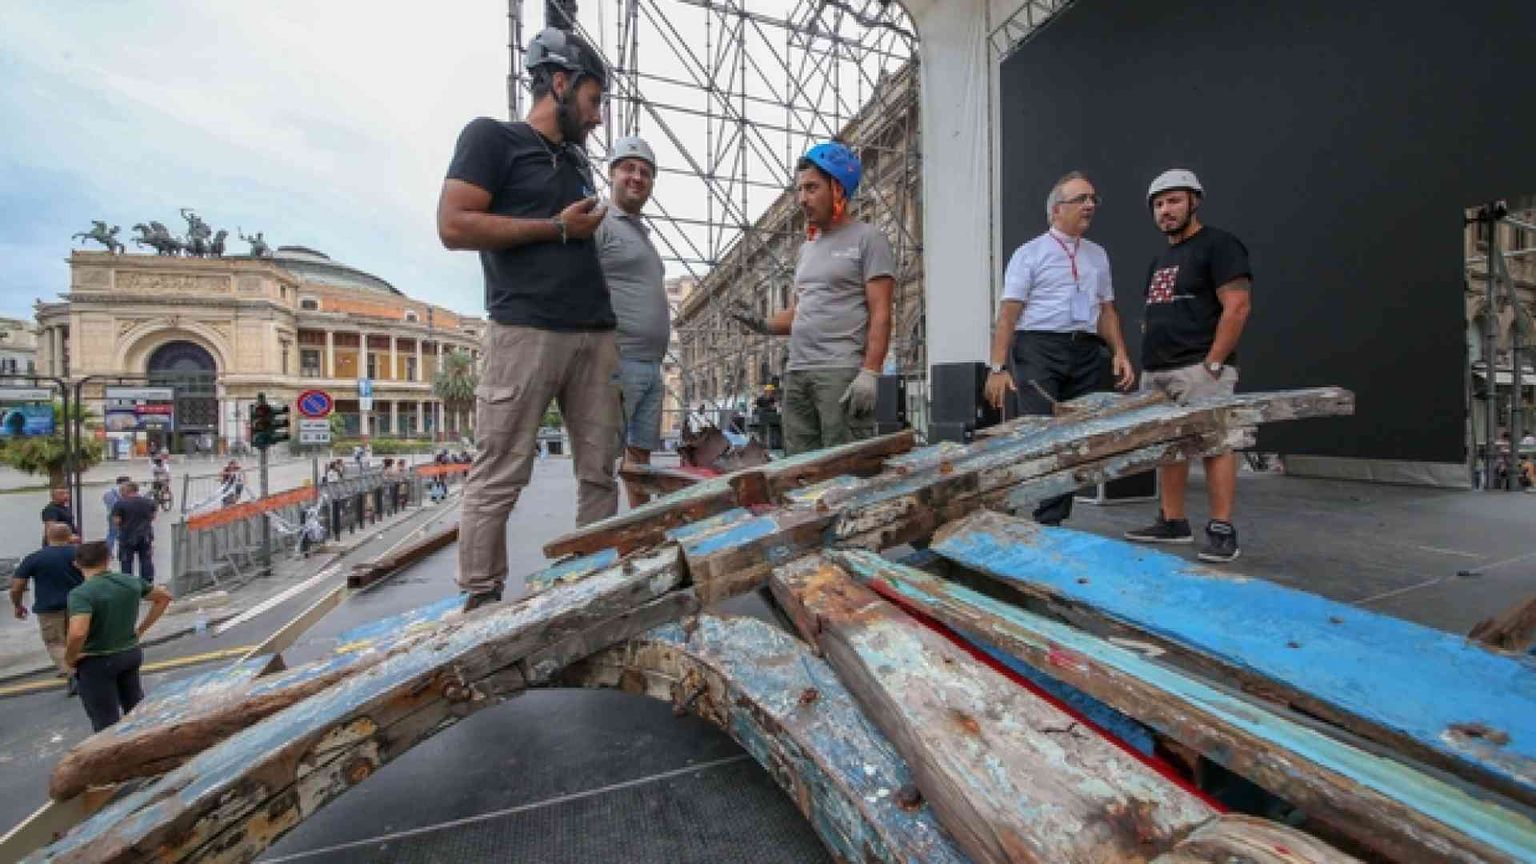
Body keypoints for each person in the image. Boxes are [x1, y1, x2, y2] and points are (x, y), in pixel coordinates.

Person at [437, 28, 620, 612]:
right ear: (560, 84)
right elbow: (454, 224)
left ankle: (591, 578)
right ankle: (482, 597)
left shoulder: (577, 160)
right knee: (500, 471)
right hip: (526, 330)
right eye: (593, 102)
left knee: (599, 470)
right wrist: (557, 227)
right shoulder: (492, 138)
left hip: (594, 332)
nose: (596, 119)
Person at [982, 171, 1135, 526]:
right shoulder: (1029, 254)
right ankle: (1032, 514)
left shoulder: (1098, 255)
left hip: (1084, 351)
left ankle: (1052, 521)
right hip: (1038, 348)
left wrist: (1120, 353)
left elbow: (1107, 310)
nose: (1090, 205)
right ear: (1056, 210)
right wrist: (997, 368)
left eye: (1093, 199)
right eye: (1080, 199)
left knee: (1076, 437)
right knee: (1043, 433)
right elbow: (1008, 314)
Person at [732, 141, 895, 455]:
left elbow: (881, 312)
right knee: (800, 470)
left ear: (837, 189)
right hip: (797, 374)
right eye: (799, 190)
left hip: (839, 374)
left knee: (844, 466)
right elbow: (801, 310)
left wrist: (871, 372)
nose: (801, 200)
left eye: (811, 189)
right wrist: (762, 324)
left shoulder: (868, 240)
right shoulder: (807, 248)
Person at [1123, 169, 1253, 562]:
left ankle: (1222, 529)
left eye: (1174, 200)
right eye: (1159, 204)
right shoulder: (1160, 260)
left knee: (1216, 446)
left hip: (1199, 367)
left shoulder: (1219, 245)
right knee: (1168, 449)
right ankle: (1173, 520)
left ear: (1194, 201)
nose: (1166, 210)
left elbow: (1238, 306)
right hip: (1158, 369)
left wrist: (1213, 362)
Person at [595, 136, 668, 508]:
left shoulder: (641, 233)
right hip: (619, 362)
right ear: (611, 173)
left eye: (646, 172)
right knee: (601, 468)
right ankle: (600, 544)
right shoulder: (599, 220)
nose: (637, 177)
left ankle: (640, 538)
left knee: (640, 463)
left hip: (651, 367)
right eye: (629, 168)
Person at [63, 540, 172, 732]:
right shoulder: (130, 582)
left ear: (77, 564)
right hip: (129, 652)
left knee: (105, 720)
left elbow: (78, 631)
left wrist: (70, 658)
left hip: (97, 659)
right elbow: (163, 597)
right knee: (136, 709)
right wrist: (140, 630)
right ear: (109, 559)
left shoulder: (81, 594)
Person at [10, 524, 85, 692]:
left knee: (54, 642)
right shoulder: (80, 553)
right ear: (69, 536)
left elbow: (17, 587)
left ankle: (71, 673)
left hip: (49, 607)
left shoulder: (35, 558)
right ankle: (79, 668)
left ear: (47, 536)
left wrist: (18, 605)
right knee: (77, 637)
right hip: (79, 603)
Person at [111, 482, 158, 583]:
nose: (120, 493)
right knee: (146, 559)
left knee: (126, 561)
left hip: (127, 536)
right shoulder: (149, 502)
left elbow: (116, 521)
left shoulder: (120, 504)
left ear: (127, 490)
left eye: (121, 490)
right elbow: (153, 517)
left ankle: (128, 583)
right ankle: (147, 583)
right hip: (145, 535)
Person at [103, 476, 129, 556]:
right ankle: (120, 551)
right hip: (119, 515)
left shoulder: (108, 493)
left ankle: (108, 551)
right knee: (119, 534)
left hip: (111, 515)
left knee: (112, 534)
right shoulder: (121, 492)